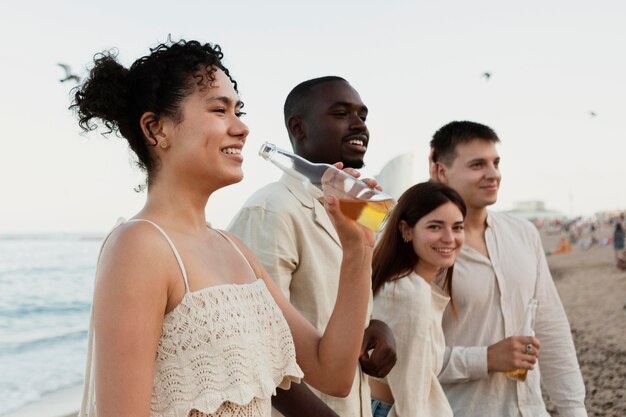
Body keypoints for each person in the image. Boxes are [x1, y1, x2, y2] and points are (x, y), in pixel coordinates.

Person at [72, 39, 376, 417]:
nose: (242, 127)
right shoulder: (141, 246)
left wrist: (358, 250)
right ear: (156, 129)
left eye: (239, 110)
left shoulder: (235, 249)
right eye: (219, 109)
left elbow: (331, 372)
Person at [228, 76, 396, 417]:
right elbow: (257, 348)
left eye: (363, 115)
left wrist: (377, 327)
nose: (359, 124)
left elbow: (334, 311)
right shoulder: (272, 210)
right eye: (341, 113)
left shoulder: (354, 212)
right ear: (298, 128)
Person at [428, 121, 587, 417]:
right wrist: (485, 358)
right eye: (477, 165)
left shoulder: (523, 233)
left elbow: (551, 327)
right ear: (440, 171)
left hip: (531, 410)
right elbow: (407, 354)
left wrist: (573, 409)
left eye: (496, 163)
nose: (493, 174)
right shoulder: (423, 245)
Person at [368, 181, 466, 417]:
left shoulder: (400, 284)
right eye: (435, 227)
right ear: (406, 230)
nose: (449, 238)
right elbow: (412, 393)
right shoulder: (409, 293)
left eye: (457, 227)